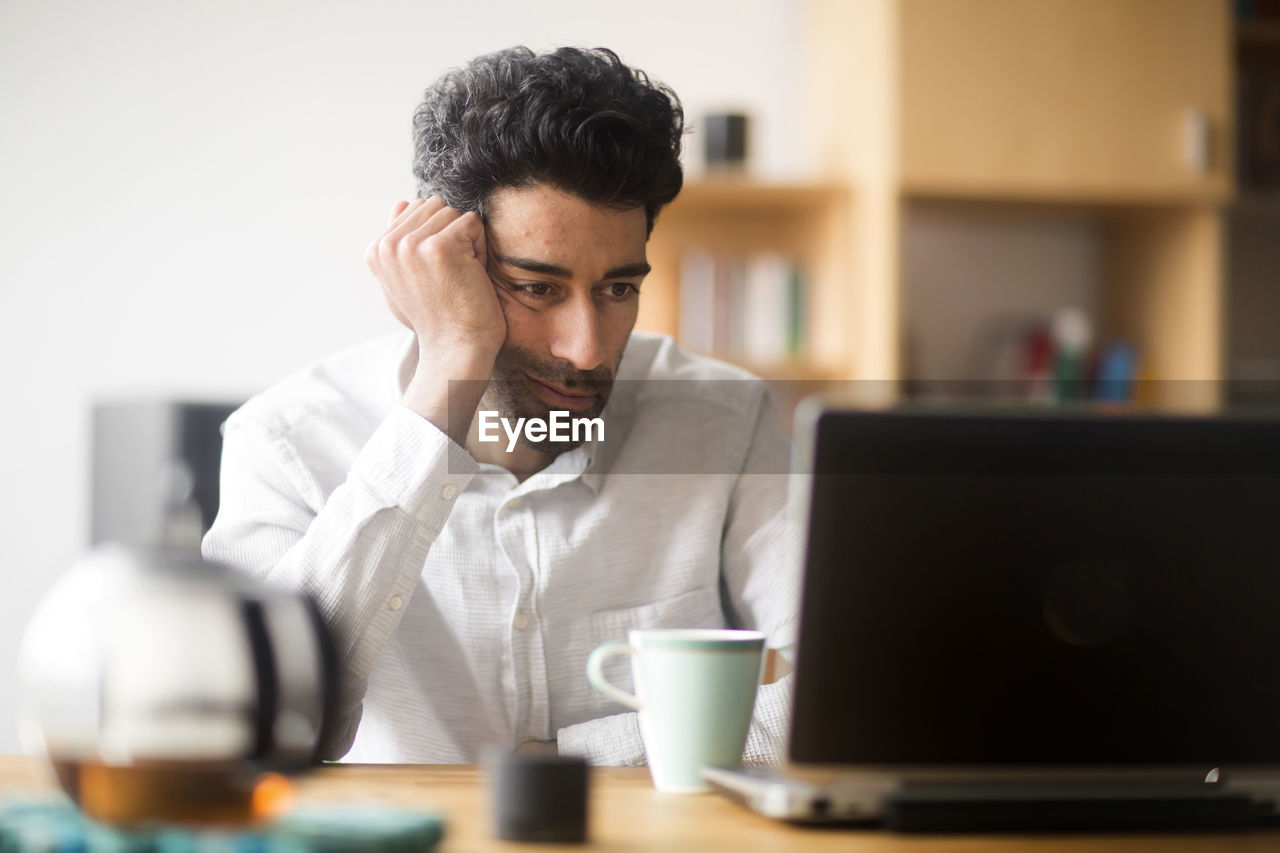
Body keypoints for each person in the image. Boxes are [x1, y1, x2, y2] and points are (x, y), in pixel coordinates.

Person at [202, 46, 799, 764]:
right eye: (537, 288)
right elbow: (269, 728)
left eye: (618, 289)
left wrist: (573, 758)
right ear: (443, 263)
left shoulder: (724, 420)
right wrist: (449, 367)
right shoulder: (288, 441)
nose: (586, 348)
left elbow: (842, 688)